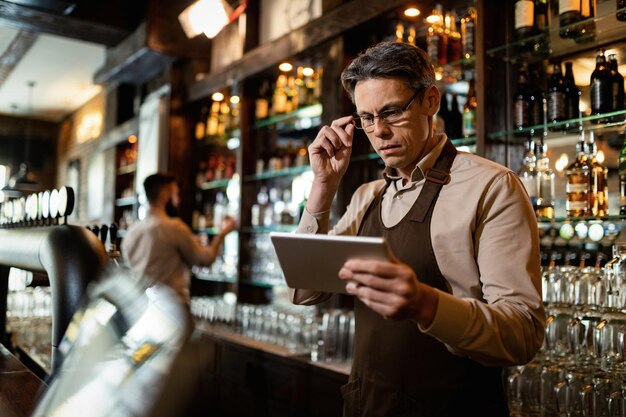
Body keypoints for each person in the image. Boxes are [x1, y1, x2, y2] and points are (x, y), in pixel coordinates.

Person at [290, 41, 544, 416]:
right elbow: (305, 289)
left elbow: (522, 334)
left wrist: (425, 304)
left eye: (392, 112)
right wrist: (323, 188)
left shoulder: (491, 186)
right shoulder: (367, 196)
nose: (379, 132)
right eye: (366, 118)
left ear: (430, 101)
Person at [121, 173, 236, 304]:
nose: (178, 200)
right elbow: (206, 259)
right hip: (173, 309)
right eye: (175, 194)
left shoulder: (132, 232)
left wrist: (190, 241)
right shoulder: (174, 227)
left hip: (146, 308)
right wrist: (222, 234)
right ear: (164, 195)